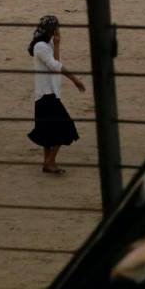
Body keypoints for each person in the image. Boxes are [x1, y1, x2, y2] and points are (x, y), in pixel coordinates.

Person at [27, 15, 86, 174]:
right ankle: (50, 161)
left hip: (50, 93)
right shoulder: (40, 46)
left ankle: (48, 164)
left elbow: (56, 61)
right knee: (66, 127)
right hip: (46, 95)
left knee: (47, 132)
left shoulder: (48, 44)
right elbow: (55, 66)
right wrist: (75, 79)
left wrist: (57, 44)